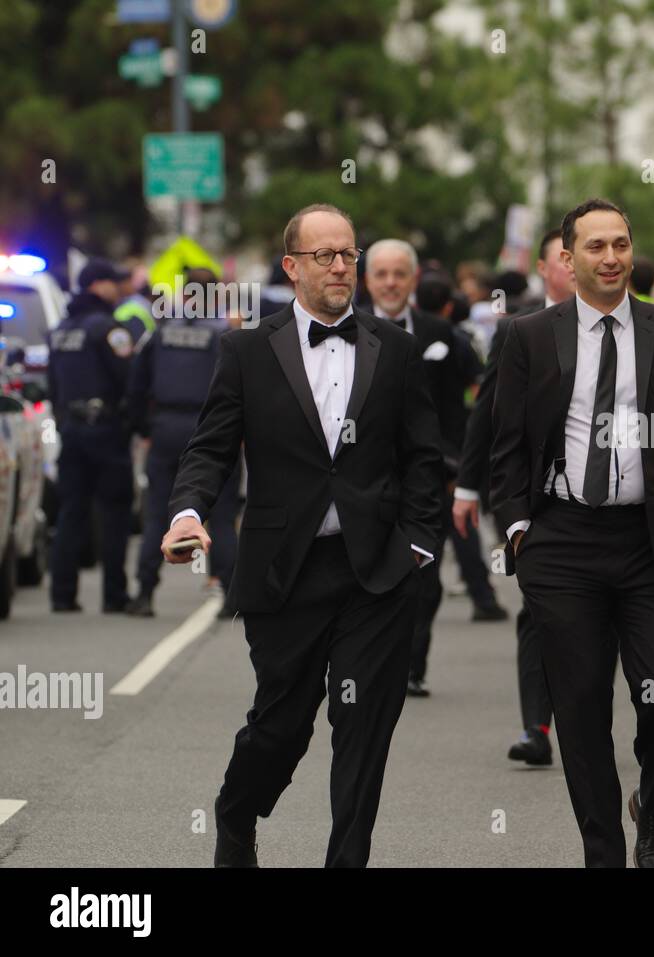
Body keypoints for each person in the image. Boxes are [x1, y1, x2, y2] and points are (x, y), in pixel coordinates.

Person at [163, 204, 444, 868]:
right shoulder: (245, 350)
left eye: (349, 253)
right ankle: (237, 813)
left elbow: (424, 455)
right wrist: (186, 512)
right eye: (326, 256)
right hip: (284, 571)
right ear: (292, 267)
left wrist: (417, 544)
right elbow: (209, 449)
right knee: (282, 726)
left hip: (375, 572)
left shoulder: (395, 350)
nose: (342, 266)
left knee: (364, 730)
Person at [490, 198, 654, 867]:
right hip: (561, 542)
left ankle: (650, 802)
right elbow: (504, 444)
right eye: (595, 246)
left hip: (652, 541)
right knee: (581, 705)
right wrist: (517, 530)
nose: (612, 257)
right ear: (568, 257)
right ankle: (603, 851)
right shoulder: (530, 337)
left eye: (621, 243)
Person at [364, 240, 505, 698]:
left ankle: (410, 667)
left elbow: (478, 391)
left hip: (433, 475)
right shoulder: (348, 331)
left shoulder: (443, 334)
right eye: (380, 274)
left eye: (398, 274)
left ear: (412, 280)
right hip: (363, 478)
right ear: (367, 280)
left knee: (423, 578)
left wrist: (462, 463)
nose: (389, 283)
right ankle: (367, 663)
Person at [455, 227, 574, 765]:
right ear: (546, 269)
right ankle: (537, 727)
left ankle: (583, 711)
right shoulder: (518, 329)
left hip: (612, 503)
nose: (576, 269)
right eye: (565, 260)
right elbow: (488, 411)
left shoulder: (636, 329)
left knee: (598, 623)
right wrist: (466, 484)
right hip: (538, 499)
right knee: (537, 610)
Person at [125, 267, 241, 618]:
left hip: (166, 427)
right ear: (215, 296)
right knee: (222, 516)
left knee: (159, 512)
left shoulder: (159, 332)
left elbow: (136, 386)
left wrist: (145, 428)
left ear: (186, 296)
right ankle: (231, 598)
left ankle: (145, 593)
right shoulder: (226, 337)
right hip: (214, 430)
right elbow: (242, 390)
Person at [47, 257, 135, 613]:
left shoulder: (60, 330)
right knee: (114, 512)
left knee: (72, 510)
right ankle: (114, 596)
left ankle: (62, 595)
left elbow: (53, 387)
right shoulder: (108, 329)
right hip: (106, 430)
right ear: (98, 285)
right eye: (113, 282)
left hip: (71, 428)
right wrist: (133, 422)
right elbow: (127, 379)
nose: (119, 289)